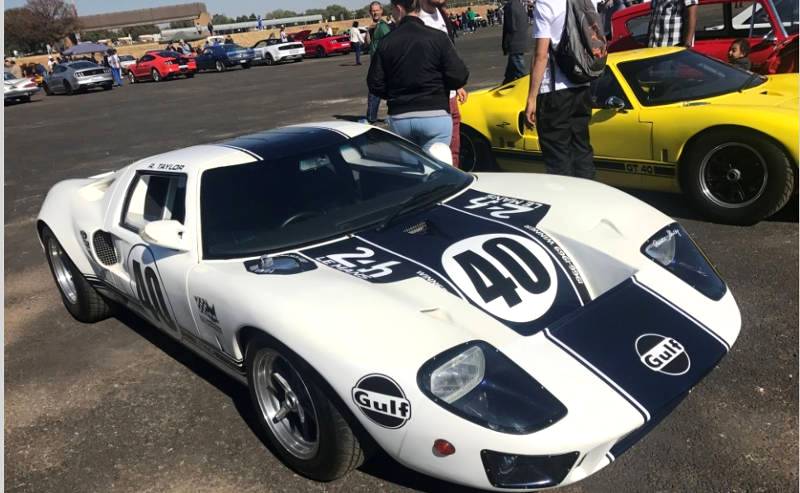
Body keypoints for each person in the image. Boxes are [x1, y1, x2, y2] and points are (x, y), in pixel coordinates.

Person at [368, 0, 469, 164]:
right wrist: (440, 87)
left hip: (400, 117)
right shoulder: (437, 37)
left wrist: (395, 94)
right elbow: (459, 75)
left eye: (392, 11)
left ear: (399, 9)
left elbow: (374, 83)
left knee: (412, 170)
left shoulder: (386, 42)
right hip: (435, 113)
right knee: (440, 168)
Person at [523, 0, 595, 178]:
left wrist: (531, 98)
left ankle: (566, 198)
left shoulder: (545, 4)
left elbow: (541, 55)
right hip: (582, 84)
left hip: (555, 90)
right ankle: (589, 195)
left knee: (558, 157)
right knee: (582, 149)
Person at [419, 0, 469, 167]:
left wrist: (457, 85)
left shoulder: (441, 14)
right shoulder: (416, 18)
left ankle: (455, 183)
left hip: (450, 95)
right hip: (432, 99)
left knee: (454, 150)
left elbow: (448, 54)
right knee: (436, 155)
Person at [363, 1, 392, 124]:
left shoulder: (383, 26)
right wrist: (368, 31)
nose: (375, 12)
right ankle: (391, 116)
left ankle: (371, 118)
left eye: (377, 10)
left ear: (382, 11)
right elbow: (368, 43)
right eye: (373, 11)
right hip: (376, 62)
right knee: (385, 89)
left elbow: (390, 43)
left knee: (374, 88)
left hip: (381, 64)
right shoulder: (375, 26)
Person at [502, 0, 529, 84]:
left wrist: (506, 43)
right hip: (521, 38)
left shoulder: (510, 6)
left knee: (519, 67)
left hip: (514, 41)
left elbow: (511, 27)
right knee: (512, 66)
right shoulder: (520, 5)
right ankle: (507, 82)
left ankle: (528, 86)